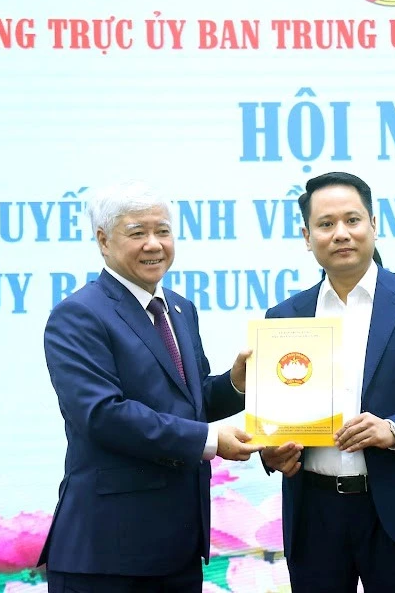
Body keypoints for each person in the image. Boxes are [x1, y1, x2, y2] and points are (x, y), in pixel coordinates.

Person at [39, 181, 262, 592]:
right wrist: (211, 440)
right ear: (103, 241)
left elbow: (186, 404)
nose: (154, 244)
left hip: (176, 549)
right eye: (137, 232)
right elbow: (103, 415)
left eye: (163, 231)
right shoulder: (78, 315)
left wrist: (235, 385)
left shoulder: (179, 308)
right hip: (108, 553)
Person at [260, 171, 395, 592]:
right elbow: (275, 414)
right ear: (307, 237)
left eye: (352, 220)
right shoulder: (285, 316)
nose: (341, 233)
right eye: (326, 224)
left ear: (373, 225)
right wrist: (272, 452)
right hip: (314, 513)